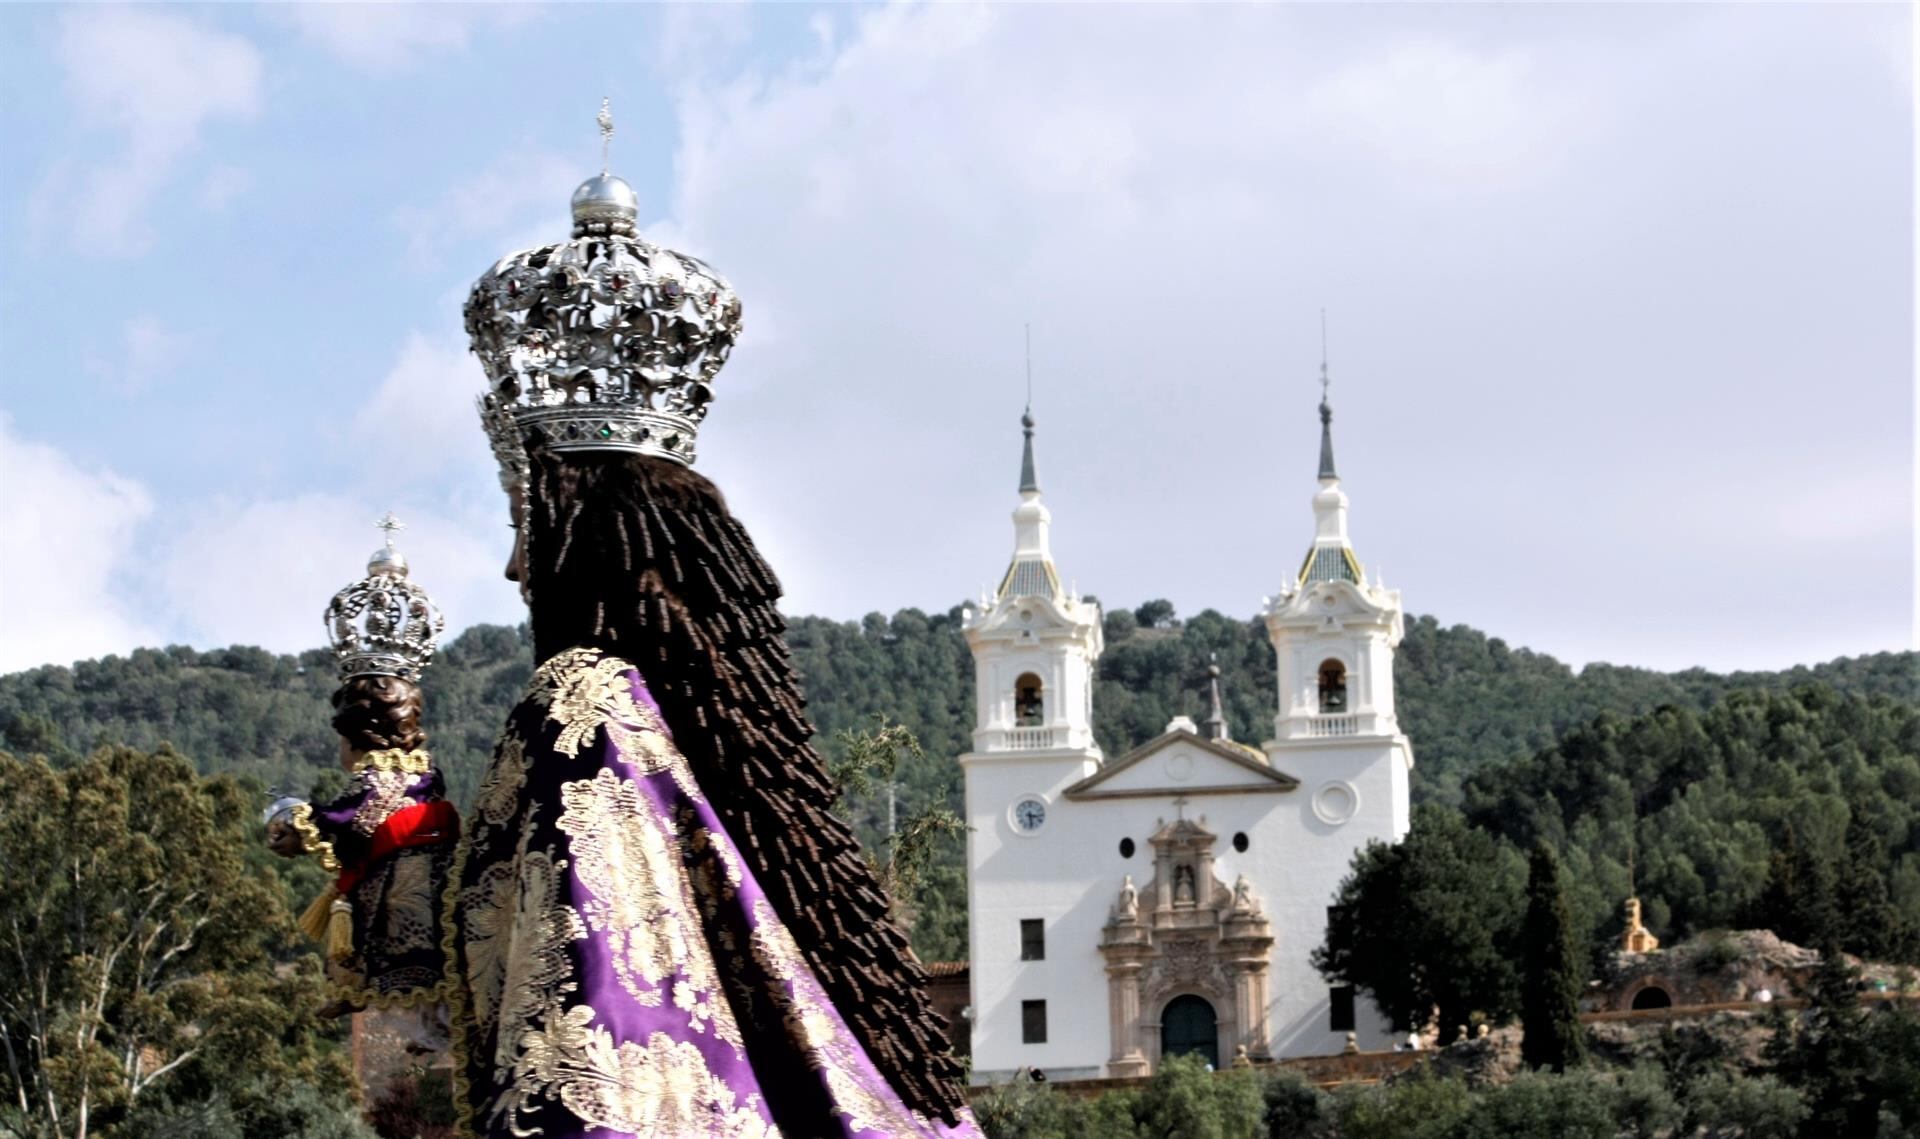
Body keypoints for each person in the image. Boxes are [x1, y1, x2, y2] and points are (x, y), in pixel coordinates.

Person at [443, 119, 977, 1138]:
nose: (517, 564)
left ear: (576, 533)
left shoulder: (586, 705)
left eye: (527, 522)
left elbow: (585, 1028)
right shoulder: (703, 728)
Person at [267, 521, 456, 1042]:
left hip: (406, 892)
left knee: (397, 966)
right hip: (417, 880)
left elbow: (355, 821)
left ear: (356, 738)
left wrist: (295, 822)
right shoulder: (423, 772)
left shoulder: (381, 781)